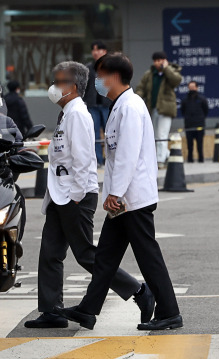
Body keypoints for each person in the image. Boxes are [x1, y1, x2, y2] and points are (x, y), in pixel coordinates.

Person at [56, 53, 182, 331]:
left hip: (132, 198)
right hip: (122, 200)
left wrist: (115, 193)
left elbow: (127, 155)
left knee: (148, 256)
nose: (97, 82)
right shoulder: (120, 105)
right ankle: (88, 310)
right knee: (105, 257)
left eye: (100, 76)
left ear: (113, 77)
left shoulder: (131, 107)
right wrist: (113, 194)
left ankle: (170, 312)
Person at [24, 61, 155, 329]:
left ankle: (140, 292)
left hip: (75, 197)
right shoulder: (66, 113)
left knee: (86, 254)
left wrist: (76, 197)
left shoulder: (78, 115)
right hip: (60, 196)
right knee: (50, 253)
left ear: (72, 88)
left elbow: (85, 161)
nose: (53, 86)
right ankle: (52, 310)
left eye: (58, 81)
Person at [135, 51, 182, 167]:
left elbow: (176, 80)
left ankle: (160, 160)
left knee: (162, 134)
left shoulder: (171, 71)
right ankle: (165, 155)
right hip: (153, 108)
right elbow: (141, 88)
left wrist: (166, 68)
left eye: (160, 60)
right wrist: (137, 98)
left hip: (165, 108)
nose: (157, 63)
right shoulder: (150, 74)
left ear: (165, 60)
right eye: (155, 60)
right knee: (155, 135)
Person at [83, 40, 110, 166]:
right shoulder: (88, 68)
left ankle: (111, 159)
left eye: (98, 49)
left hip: (107, 105)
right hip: (92, 105)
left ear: (104, 52)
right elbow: (84, 87)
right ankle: (98, 160)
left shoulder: (111, 66)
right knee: (93, 134)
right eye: (93, 50)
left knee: (110, 133)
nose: (95, 52)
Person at [181, 81, 209, 163]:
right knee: (189, 145)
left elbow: (206, 110)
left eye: (193, 87)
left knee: (200, 144)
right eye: (190, 87)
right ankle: (190, 159)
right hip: (189, 125)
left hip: (199, 125)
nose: (192, 89)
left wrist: (201, 119)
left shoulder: (202, 99)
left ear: (197, 88)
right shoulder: (185, 100)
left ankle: (201, 159)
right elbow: (183, 111)